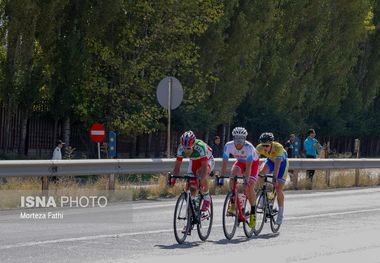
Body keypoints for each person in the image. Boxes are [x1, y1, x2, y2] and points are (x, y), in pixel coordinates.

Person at [220, 127, 260, 228]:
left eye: (241, 139)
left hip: (253, 164)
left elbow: (249, 166)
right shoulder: (228, 145)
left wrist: (246, 179)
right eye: (236, 139)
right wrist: (221, 177)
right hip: (240, 162)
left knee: (250, 186)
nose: (238, 141)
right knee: (232, 176)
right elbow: (224, 163)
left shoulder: (249, 147)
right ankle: (234, 203)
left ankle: (253, 213)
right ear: (233, 138)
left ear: (244, 139)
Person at [173, 130, 214, 213]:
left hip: (207, 161)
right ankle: (191, 212)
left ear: (193, 145)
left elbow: (204, 167)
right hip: (194, 160)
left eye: (188, 148)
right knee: (190, 184)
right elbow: (177, 167)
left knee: (200, 174)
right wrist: (173, 180)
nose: (186, 151)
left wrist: (202, 180)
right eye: (184, 148)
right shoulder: (181, 148)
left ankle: (206, 198)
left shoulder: (200, 147)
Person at [256, 132, 288, 225]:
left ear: (271, 143)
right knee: (261, 175)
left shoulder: (278, 147)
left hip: (281, 164)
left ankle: (280, 213)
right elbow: (254, 161)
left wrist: (275, 178)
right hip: (270, 161)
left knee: (278, 189)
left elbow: (277, 166)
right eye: (263, 145)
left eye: (267, 145)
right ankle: (263, 196)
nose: (265, 147)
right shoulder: (259, 147)